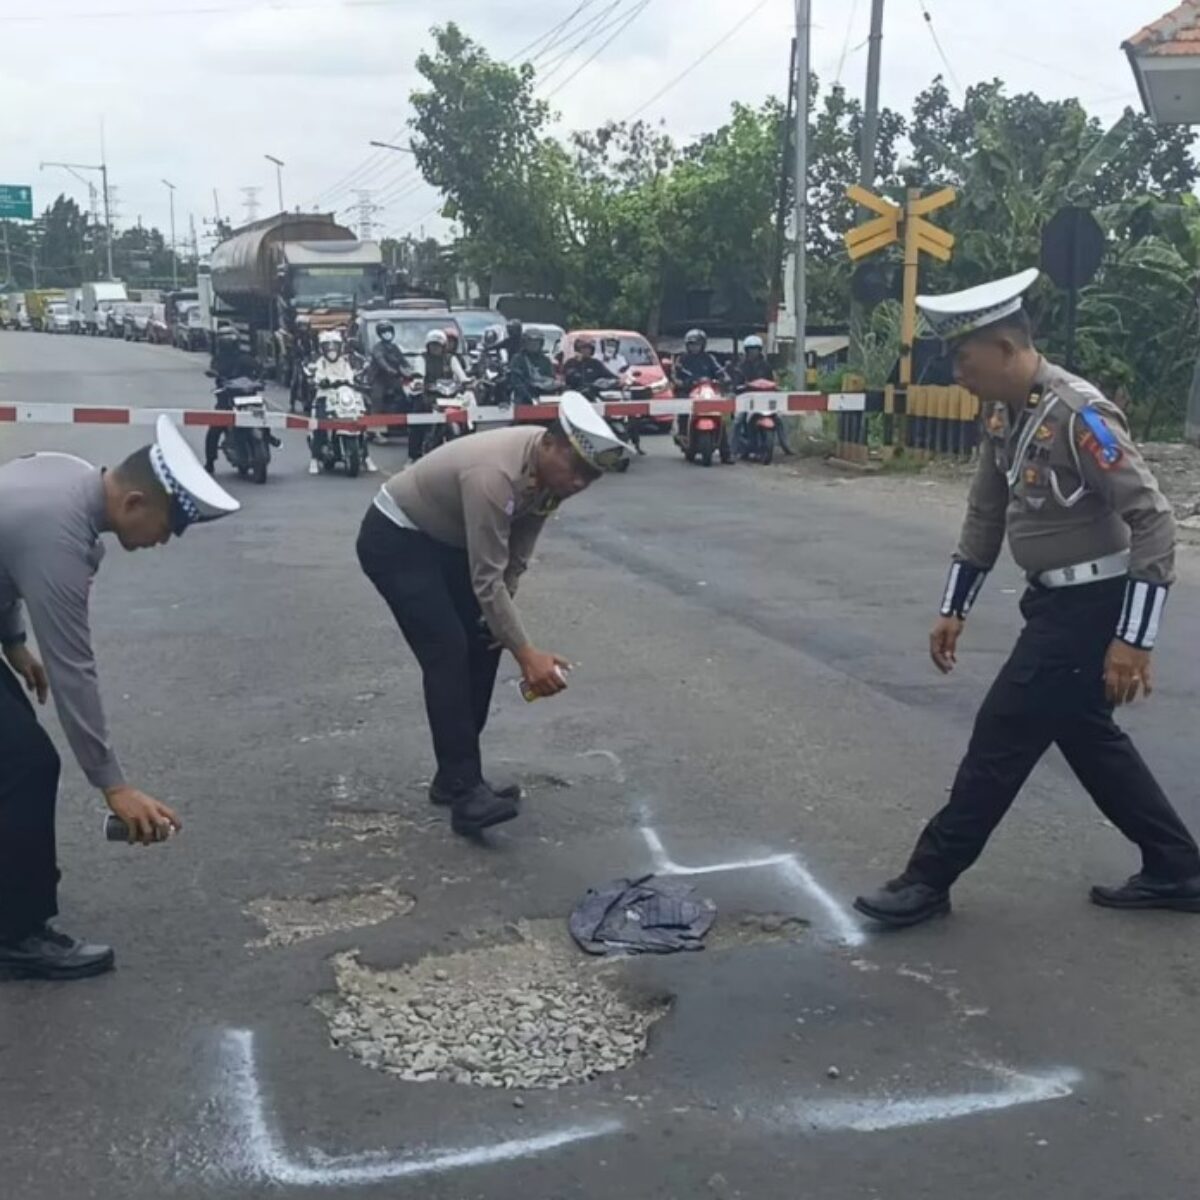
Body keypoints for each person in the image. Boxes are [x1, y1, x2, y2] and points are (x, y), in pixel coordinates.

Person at [854, 268, 1200, 929]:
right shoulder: (1003, 415)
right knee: (1087, 737)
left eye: (964, 357)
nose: (956, 371)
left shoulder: (1077, 415)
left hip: (1089, 609)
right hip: (1052, 605)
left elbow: (1153, 518)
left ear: (1006, 347)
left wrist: (1134, 639)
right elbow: (985, 514)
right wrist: (954, 606)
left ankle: (927, 880)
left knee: (1001, 737)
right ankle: (1177, 865)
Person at [0, 418, 239, 980]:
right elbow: (73, 669)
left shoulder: (66, 475)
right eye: (168, 527)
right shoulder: (59, 533)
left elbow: (4, 563)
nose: (163, 542)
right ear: (134, 501)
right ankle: (16, 933)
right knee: (27, 764)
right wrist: (114, 786)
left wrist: (12, 642)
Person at [356, 393, 629, 837]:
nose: (579, 483)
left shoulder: (548, 479)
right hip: (397, 540)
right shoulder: (494, 475)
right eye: (576, 469)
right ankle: (466, 793)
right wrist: (526, 653)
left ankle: (455, 775)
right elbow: (487, 578)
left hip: (446, 543)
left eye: (591, 478)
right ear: (549, 445)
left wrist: (501, 629)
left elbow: (514, 559)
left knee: (484, 643)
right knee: (447, 651)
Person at [309, 329, 376, 476]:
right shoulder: (321, 363)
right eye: (328, 347)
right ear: (322, 348)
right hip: (325, 396)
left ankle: (366, 457)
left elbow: (350, 376)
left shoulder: (345, 363)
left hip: (346, 396)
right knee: (320, 425)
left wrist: (354, 382)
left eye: (335, 346)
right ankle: (314, 459)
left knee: (360, 421)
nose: (332, 350)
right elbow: (318, 377)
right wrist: (323, 381)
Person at [205, 326, 261, 474]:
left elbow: (257, 369)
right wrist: (218, 377)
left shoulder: (245, 357)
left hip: (248, 398)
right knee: (215, 429)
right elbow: (214, 371)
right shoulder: (218, 359)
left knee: (263, 418)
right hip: (227, 399)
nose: (227, 344)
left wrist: (261, 376)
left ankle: (268, 438)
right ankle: (210, 461)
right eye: (224, 341)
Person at [731, 335, 793, 458]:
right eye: (750, 349)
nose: (753, 352)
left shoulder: (766, 366)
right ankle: (732, 450)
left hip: (766, 400)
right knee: (738, 420)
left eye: (755, 349)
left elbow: (772, 381)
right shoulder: (741, 367)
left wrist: (777, 388)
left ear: (760, 350)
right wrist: (740, 387)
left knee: (780, 418)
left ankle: (786, 446)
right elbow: (736, 384)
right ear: (746, 350)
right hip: (747, 400)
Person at [369, 320, 414, 441]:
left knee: (408, 396)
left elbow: (403, 361)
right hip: (380, 379)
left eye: (388, 331)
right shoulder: (377, 348)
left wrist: (411, 370)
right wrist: (389, 369)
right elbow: (380, 361)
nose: (387, 333)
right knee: (377, 401)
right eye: (384, 331)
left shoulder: (394, 347)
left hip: (395, 379)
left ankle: (407, 427)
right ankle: (375, 432)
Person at [507, 328, 558, 405]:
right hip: (524, 399)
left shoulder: (545, 360)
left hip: (544, 398)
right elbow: (517, 382)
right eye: (530, 342)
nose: (534, 345)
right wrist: (530, 397)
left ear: (541, 344)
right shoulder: (518, 359)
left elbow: (551, 378)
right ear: (524, 343)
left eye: (536, 342)